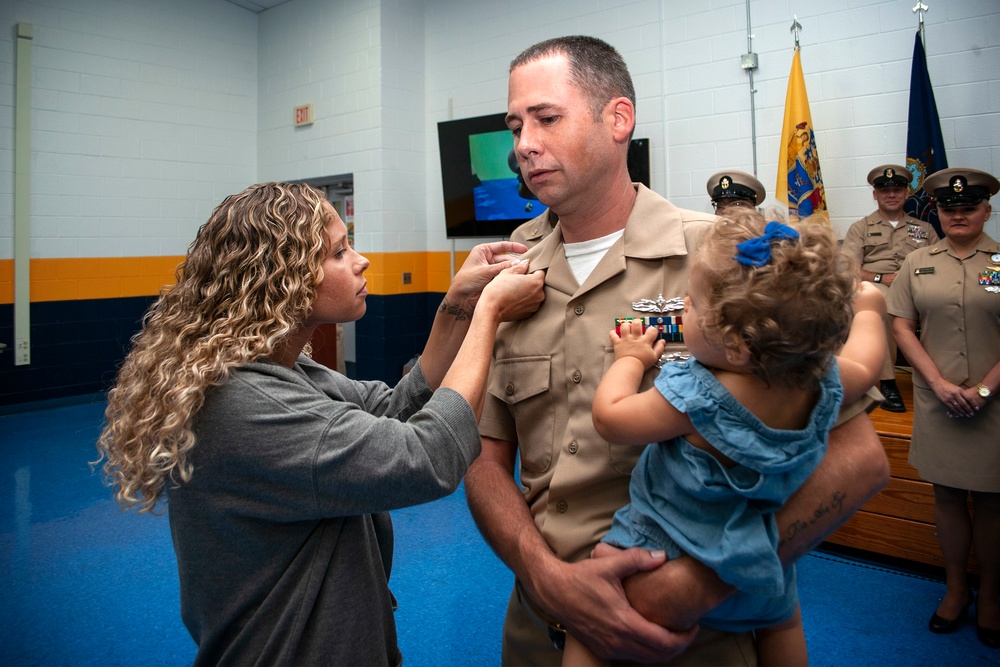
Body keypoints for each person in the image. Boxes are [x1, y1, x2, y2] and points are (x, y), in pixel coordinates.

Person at [464, 35, 890, 666]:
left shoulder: (724, 258)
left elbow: (860, 461)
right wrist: (546, 576)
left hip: (692, 641)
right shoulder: (507, 274)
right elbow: (481, 457)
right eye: (515, 124)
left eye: (546, 118)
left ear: (618, 119)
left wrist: (686, 589)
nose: (522, 143)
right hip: (538, 629)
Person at [93, 182, 545, 665]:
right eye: (338, 251)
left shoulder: (285, 370)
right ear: (279, 277)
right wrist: (489, 315)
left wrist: (458, 303)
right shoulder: (243, 406)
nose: (360, 260)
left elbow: (395, 408)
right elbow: (427, 457)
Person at [562, 212, 886, 667]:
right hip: (759, 562)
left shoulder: (699, 397)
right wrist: (870, 308)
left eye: (691, 304)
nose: (683, 308)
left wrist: (630, 360)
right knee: (783, 624)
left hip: (663, 549)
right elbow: (867, 361)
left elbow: (610, 418)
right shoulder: (822, 381)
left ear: (735, 345)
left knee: (587, 627)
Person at [887, 167, 1000, 649]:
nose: (959, 215)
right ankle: (955, 590)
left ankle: (992, 595)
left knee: (995, 503)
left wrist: (985, 392)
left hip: (994, 405)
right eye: (950, 209)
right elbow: (900, 327)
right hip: (938, 402)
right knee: (948, 499)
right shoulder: (917, 262)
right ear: (939, 212)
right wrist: (935, 383)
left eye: (969, 208)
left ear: (986, 211)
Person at [841, 164, 940, 412]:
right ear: (875, 195)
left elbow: (941, 260)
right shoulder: (860, 228)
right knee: (880, 304)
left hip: (920, 286)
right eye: (885, 191)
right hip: (879, 287)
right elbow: (849, 268)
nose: (891, 195)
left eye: (897, 189)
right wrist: (879, 278)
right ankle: (887, 382)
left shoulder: (925, 229)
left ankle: (940, 376)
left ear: (907, 193)